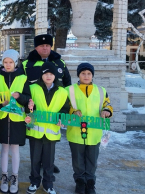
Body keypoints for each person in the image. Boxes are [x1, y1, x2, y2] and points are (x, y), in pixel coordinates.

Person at [22, 33, 71, 173]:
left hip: (55, 108)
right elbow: (21, 85)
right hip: (36, 108)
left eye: (47, 45)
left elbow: (67, 83)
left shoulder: (60, 63)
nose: (45, 48)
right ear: (36, 47)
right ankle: (37, 166)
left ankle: (49, 163)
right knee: (36, 141)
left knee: (50, 141)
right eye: (42, 46)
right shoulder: (27, 64)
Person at [66, 63, 112, 194]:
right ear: (78, 75)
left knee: (92, 160)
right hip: (75, 132)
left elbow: (107, 104)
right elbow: (64, 106)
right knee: (78, 160)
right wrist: (72, 112)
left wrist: (106, 110)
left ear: (92, 75)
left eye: (89, 74)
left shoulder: (101, 90)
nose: (86, 76)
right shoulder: (69, 90)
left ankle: (90, 184)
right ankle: (80, 182)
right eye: (83, 73)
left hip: (94, 133)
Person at [26, 62, 69, 194]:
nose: (48, 76)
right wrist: (28, 109)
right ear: (42, 75)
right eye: (46, 74)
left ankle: (48, 184)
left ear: (55, 76)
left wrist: (62, 118)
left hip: (51, 132)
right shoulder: (32, 88)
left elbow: (65, 109)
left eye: (51, 74)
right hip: (36, 131)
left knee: (49, 161)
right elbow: (28, 107)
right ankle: (34, 182)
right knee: (35, 160)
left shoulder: (62, 91)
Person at [0, 49, 31, 194]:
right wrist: (0, 103)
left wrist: (19, 96)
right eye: (5, 62)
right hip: (3, 118)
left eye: (10, 62)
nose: (8, 65)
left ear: (16, 63)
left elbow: (28, 98)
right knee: (4, 148)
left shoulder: (23, 78)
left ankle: (14, 176)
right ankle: (4, 176)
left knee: (15, 148)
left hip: (17, 119)